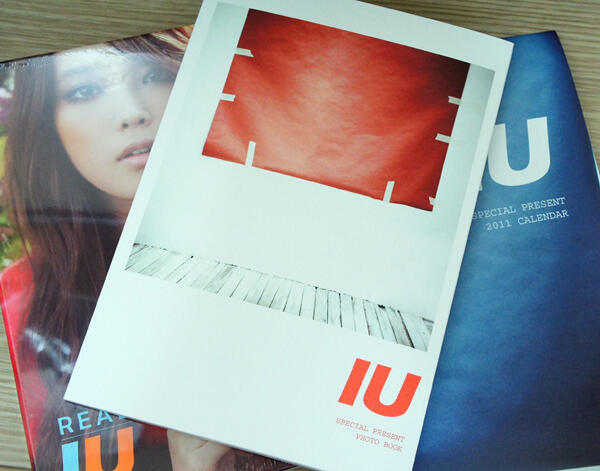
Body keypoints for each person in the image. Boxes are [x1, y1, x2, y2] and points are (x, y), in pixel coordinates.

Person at [0, 27, 240, 471]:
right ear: (46, 124)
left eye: (153, 75)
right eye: (84, 91)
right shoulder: (15, 309)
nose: (132, 112)